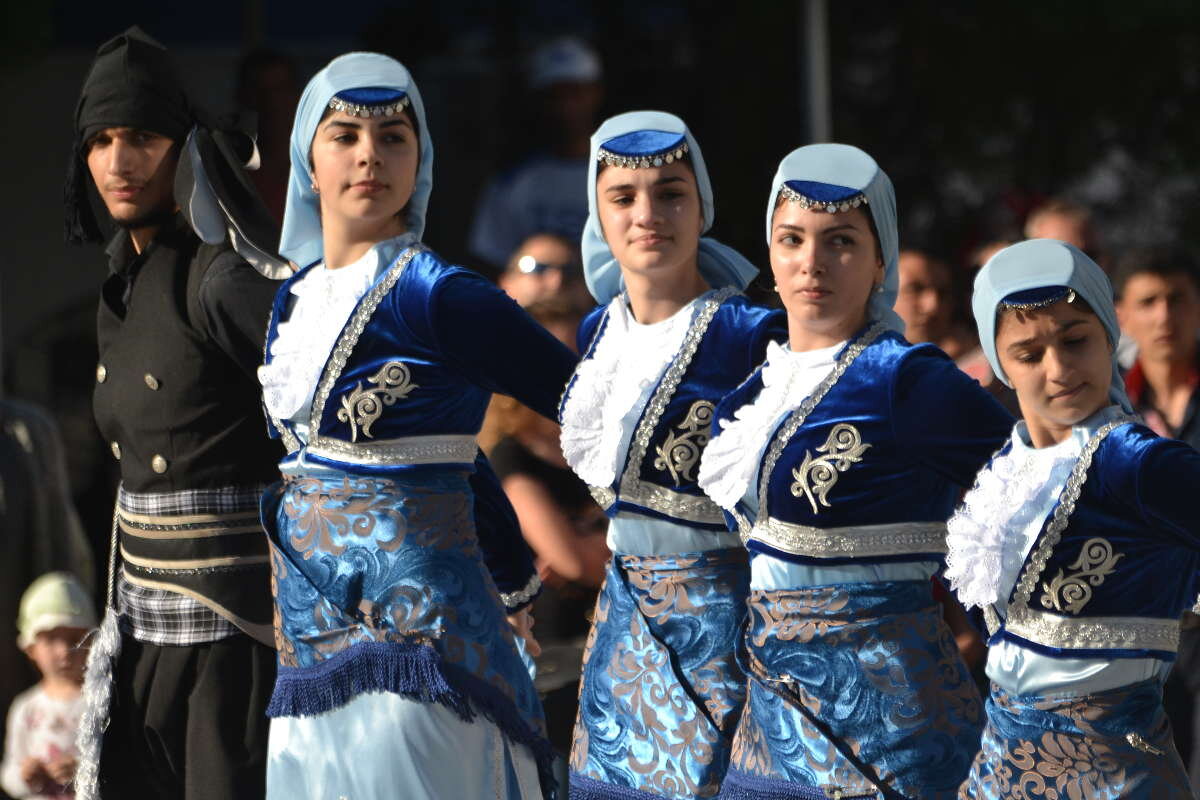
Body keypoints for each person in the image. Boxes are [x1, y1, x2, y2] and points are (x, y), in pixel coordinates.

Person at [255, 52, 578, 799]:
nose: (370, 154)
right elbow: (464, 463)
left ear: (420, 157)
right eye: (345, 135)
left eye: (394, 136)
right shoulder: (293, 302)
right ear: (309, 157)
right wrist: (515, 575)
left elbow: (592, 401)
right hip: (307, 663)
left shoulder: (438, 294)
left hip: (425, 658)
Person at [697, 144, 1013, 799]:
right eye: (791, 240)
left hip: (892, 737)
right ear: (772, 258)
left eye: (839, 241)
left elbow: (1043, 492)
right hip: (770, 737)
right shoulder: (753, 392)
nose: (811, 262)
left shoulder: (905, 379)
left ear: (879, 262)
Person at [64, 27, 285, 800]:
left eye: (144, 137)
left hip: (233, 647)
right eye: (101, 140)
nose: (119, 164)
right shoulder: (119, 287)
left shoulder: (219, 279)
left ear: (186, 146)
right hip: (141, 635)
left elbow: (328, 411)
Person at [560, 111, 786, 800]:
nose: (648, 214)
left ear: (702, 205)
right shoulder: (599, 331)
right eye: (623, 196)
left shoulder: (754, 334)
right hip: (622, 636)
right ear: (597, 213)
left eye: (671, 192)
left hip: (729, 637)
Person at [946, 238, 1200, 798]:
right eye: (1029, 354)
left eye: (1076, 340)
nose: (1059, 369)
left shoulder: (1136, 462)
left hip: (1116, 781)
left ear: (1110, 335)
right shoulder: (1007, 470)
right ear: (1000, 365)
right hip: (996, 776)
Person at [469, 37, 603, 272]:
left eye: (575, 92)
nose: (566, 106)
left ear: (595, 93)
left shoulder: (624, 174)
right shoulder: (512, 183)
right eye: (555, 96)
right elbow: (491, 264)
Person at [1, 574, 95, 800]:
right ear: (31, 648)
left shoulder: (100, 702)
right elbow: (8, 773)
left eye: (74, 639)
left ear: (92, 642)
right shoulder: (26, 707)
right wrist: (25, 776)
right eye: (51, 639)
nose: (64, 651)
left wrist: (84, 771)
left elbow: (120, 763)